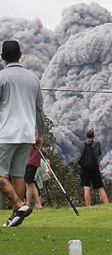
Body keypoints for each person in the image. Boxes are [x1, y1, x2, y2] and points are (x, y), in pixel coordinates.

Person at [0, 40, 45, 227]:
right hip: (27, 134)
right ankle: (14, 218)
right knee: (18, 175)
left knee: (2, 174)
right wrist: (40, 134)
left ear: (2, 57)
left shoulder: (2, 77)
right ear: (20, 55)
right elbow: (39, 109)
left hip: (6, 133)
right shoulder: (33, 78)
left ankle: (19, 205)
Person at [78, 129, 109, 206]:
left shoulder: (82, 144)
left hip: (84, 168)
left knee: (86, 188)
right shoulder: (97, 144)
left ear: (86, 136)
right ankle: (107, 204)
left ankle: (88, 207)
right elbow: (98, 154)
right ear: (94, 136)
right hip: (94, 168)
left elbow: (81, 154)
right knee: (100, 188)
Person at [24, 143, 43, 210]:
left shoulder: (33, 137)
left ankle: (28, 204)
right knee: (31, 182)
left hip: (31, 161)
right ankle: (38, 204)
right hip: (32, 161)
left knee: (28, 183)